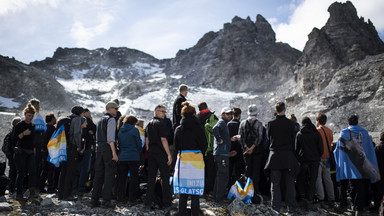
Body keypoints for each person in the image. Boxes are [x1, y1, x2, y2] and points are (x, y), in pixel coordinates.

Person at [334, 115, 380, 215]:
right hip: (363, 166)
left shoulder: (344, 133)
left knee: (353, 186)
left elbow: (338, 150)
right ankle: (360, 207)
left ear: (348, 122)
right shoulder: (365, 133)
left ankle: (356, 207)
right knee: (362, 186)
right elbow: (370, 150)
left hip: (350, 167)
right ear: (357, 122)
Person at [173, 102, 207, 216]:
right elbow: (204, 145)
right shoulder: (199, 129)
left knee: (183, 192)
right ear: (194, 114)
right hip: (197, 162)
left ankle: (181, 213)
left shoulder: (178, 129)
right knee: (195, 193)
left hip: (183, 162)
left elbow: (176, 147)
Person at [264, 102, 298, 214]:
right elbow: (294, 141)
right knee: (290, 183)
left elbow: (268, 139)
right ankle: (291, 208)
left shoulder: (270, 123)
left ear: (276, 110)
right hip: (288, 156)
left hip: (275, 156)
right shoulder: (291, 124)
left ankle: (275, 208)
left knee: (275, 184)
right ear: (285, 109)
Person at [91, 101, 119, 208]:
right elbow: (110, 139)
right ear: (109, 109)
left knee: (99, 174)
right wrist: (114, 153)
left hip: (99, 149)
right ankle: (106, 200)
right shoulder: (111, 119)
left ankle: (94, 199)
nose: (117, 111)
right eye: (115, 109)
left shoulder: (100, 120)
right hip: (108, 149)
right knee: (109, 174)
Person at [144, 104, 172, 208]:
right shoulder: (161, 123)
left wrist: (148, 151)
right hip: (161, 153)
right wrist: (169, 154)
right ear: (156, 111)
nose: (164, 114)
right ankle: (167, 202)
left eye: (165, 112)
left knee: (151, 177)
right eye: (162, 111)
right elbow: (163, 139)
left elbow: (147, 139)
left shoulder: (149, 124)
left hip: (151, 152)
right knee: (165, 177)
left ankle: (148, 201)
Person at [58, 106, 86, 201]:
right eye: (82, 112)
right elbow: (77, 133)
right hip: (72, 148)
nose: (83, 114)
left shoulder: (66, 119)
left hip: (63, 148)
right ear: (79, 113)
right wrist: (78, 146)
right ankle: (67, 194)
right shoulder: (77, 119)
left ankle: (60, 194)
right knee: (70, 172)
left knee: (63, 171)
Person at [238, 104, 264, 200]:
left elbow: (241, 137)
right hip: (256, 151)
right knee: (256, 171)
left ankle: (246, 191)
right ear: (256, 113)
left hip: (246, 151)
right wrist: (252, 147)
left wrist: (246, 148)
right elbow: (260, 138)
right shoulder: (259, 124)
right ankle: (255, 192)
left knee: (247, 170)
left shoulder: (243, 123)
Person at [295, 117, 323, 203]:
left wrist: (299, 158)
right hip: (315, 160)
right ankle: (311, 196)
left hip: (304, 160)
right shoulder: (316, 133)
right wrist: (317, 156)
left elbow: (296, 149)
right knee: (313, 179)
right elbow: (321, 148)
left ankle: (302, 195)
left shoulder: (299, 134)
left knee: (301, 178)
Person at [13, 103, 37, 200]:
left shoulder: (32, 126)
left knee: (32, 172)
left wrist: (34, 148)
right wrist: (23, 133)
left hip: (31, 152)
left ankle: (31, 193)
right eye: (28, 116)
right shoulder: (19, 125)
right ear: (25, 114)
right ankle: (19, 194)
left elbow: (34, 139)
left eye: (31, 116)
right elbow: (14, 138)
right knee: (21, 172)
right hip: (21, 151)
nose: (30, 118)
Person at [117, 115, 142, 204]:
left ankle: (120, 197)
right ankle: (131, 199)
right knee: (133, 178)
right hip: (133, 156)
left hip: (123, 156)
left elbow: (119, 144)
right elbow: (139, 143)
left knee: (122, 178)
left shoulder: (120, 130)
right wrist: (138, 152)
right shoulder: (135, 130)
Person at [196, 102, 217, 196]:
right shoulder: (212, 117)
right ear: (207, 107)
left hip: (198, 147)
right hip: (210, 147)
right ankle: (209, 189)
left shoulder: (195, 118)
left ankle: (200, 187)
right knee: (210, 168)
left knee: (200, 168)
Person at [212, 107, 233, 203]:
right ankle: (219, 198)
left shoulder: (224, 123)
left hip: (220, 153)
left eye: (231, 114)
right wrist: (219, 139)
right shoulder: (222, 122)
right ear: (222, 114)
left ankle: (216, 197)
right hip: (221, 154)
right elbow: (215, 129)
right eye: (227, 114)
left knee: (219, 175)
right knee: (223, 176)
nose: (230, 116)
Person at [315, 112, 335, 204]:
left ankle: (321, 197)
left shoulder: (317, 131)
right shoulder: (330, 131)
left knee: (318, 178)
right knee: (328, 178)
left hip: (319, 157)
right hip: (327, 157)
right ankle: (331, 197)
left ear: (318, 121)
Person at [29, 98, 47, 193]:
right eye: (38, 106)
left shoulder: (37, 115)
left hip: (38, 144)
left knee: (37, 165)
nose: (39, 107)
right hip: (34, 145)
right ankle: (32, 186)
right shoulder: (31, 116)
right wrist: (34, 146)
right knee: (33, 166)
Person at [78, 108, 96, 195]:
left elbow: (93, 130)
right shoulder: (84, 121)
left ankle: (82, 186)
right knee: (85, 169)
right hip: (86, 148)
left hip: (85, 148)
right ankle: (81, 188)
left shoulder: (87, 121)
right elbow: (92, 130)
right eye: (88, 112)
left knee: (85, 169)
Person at [39, 112, 56, 193]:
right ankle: (50, 188)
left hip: (43, 151)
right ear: (52, 119)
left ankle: (41, 187)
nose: (55, 119)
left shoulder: (44, 128)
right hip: (50, 151)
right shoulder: (52, 129)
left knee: (45, 170)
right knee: (51, 170)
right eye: (54, 118)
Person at [227, 107, 244, 187]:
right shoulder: (241, 125)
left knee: (229, 171)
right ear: (239, 115)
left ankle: (228, 188)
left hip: (229, 151)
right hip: (238, 151)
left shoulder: (228, 124)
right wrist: (237, 150)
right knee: (238, 171)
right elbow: (241, 139)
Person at [4, 117, 21, 194]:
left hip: (10, 155)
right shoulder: (17, 133)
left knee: (12, 171)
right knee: (17, 171)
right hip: (15, 155)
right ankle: (15, 188)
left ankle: (11, 188)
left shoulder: (9, 133)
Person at [373, 132, 384, 211]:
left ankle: (378, 205)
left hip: (379, 172)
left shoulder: (377, 148)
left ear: (380, 139)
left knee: (379, 190)